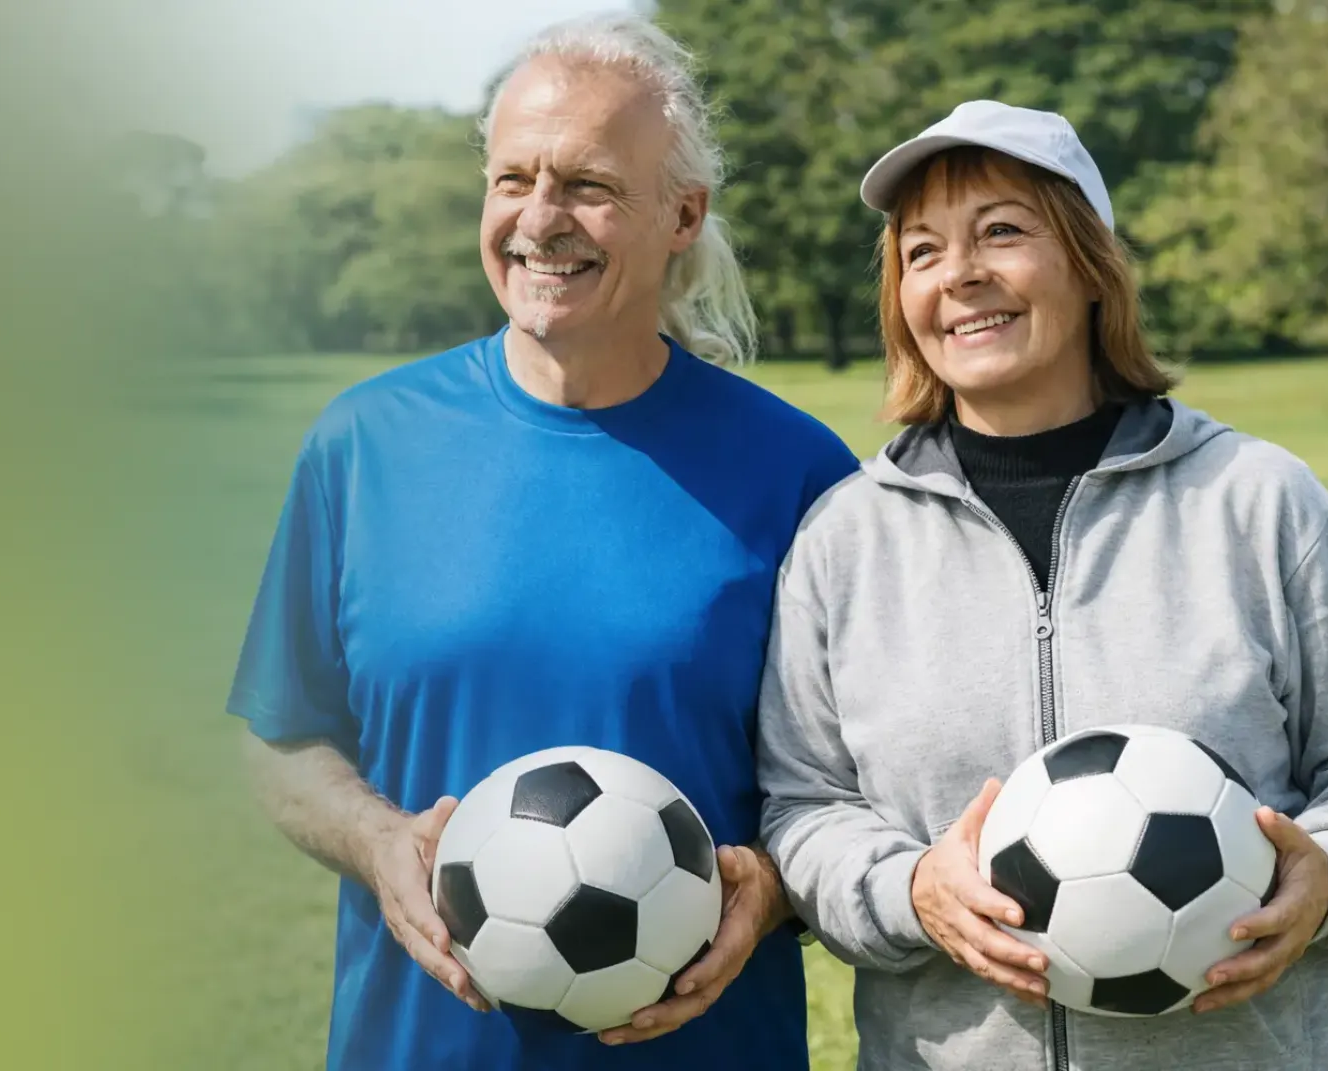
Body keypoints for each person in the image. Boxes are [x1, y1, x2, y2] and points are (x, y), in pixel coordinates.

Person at [755, 100, 1328, 1069]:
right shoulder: (846, 540)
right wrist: (908, 889)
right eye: (921, 252)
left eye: (1002, 231)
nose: (960, 274)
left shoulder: (1255, 500)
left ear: (1091, 266)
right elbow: (804, 803)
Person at [226, 14, 858, 1069]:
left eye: (590, 186)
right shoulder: (363, 443)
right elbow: (282, 739)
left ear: (683, 216)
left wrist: (778, 889)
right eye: (513, 178)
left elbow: (858, 796)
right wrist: (378, 841)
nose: (540, 218)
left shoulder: (798, 474)